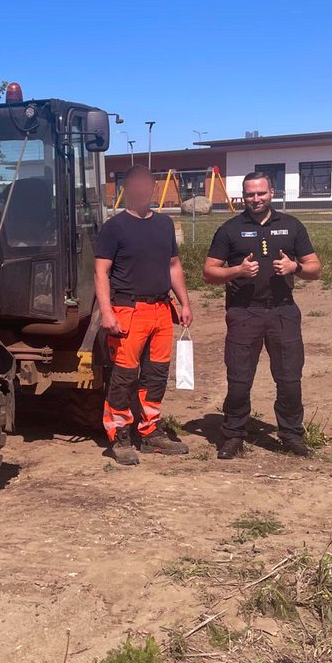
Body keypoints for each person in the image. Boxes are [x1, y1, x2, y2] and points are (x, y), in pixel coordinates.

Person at [202, 171, 322, 459]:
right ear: (243, 197)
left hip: (283, 311)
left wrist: (295, 268)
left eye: (261, 193)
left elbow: (315, 269)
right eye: (250, 194)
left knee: (290, 378)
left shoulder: (292, 226)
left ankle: (291, 434)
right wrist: (237, 271)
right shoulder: (230, 229)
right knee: (240, 379)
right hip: (244, 312)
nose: (255, 199)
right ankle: (233, 435)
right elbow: (208, 272)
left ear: (272, 193)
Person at [94, 163, 193, 465]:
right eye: (134, 185)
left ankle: (150, 432)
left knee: (156, 375)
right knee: (124, 376)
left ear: (152, 188)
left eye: (146, 184)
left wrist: (185, 303)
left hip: (162, 310)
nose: (141, 190)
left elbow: (173, 266)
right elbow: (101, 272)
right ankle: (119, 434)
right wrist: (107, 312)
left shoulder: (164, 225)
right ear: (127, 189)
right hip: (128, 310)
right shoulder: (115, 227)